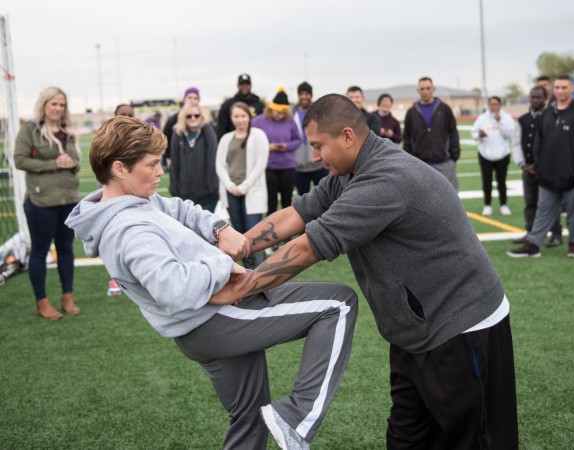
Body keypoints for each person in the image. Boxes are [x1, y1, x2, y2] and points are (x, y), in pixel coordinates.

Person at [213, 94, 519, 449]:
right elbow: (295, 215)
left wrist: (238, 290)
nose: (313, 157)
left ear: (346, 136)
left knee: (472, 441)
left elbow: (306, 248)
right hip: (414, 332)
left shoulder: (383, 180)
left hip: (462, 328)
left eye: (318, 146)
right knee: (405, 439)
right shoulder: (349, 171)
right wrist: (238, 247)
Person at [65, 116, 357, 450]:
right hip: (214, 323)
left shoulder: (138, 200)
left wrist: (221, 228)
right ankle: (297, 418)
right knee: (339, 304)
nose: (161, 172)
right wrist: (222, 264)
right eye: (152, 164)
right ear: (119, 168)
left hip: (204, 324)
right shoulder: (129, 231)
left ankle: (282, 420)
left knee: (251, 417)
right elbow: (174, 290)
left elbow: (182, 209)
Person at [13, 86, 81, 320]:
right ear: (44, 105)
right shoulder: (30, 130)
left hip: (68, 199)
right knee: (40, 251)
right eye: (54, 103)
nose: (58, 108)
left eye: (61, 104)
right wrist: (54, 163)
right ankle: (42, 302)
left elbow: (75, 164)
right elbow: (19, 160)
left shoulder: (67, 131)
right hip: (41, 201)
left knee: (66, 249)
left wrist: (71, 162)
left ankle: (68, 297)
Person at [508, 75, 574, 259]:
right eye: (557, 87)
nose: (560, 91)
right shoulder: (547, 113)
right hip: (547, 176)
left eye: (564, 87)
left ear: (572, 88)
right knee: (542, 212)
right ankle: (533, 246)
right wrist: (539, 165)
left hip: (572, 177)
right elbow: (538, 141)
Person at [216, 102, 269, 269]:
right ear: (231, 118)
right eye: (236, 116)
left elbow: (261, 164)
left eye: (243, 116)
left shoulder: (258, 135)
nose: (240, 120)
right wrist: (230, 185)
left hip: (251, 191)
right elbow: (220, 165)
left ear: (249, 117)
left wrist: (244, 187)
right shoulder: (226, 138)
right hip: (231, 191)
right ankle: (247, 272)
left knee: (254, 235)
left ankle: (260, 273)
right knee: (239, 234)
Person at [511, 86, 563, 246]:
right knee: (530, 202)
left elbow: (556, 144)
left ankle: (556, 234)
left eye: (538, 97)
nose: (534, 100)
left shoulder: (554, 117)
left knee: (550, 203)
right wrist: (522, 164)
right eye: (532, 97)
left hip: (547, 170)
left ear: (545, 98)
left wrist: (544, 165)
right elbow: (516, 143)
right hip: (528, 170)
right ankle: (530, 233)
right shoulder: (523, 119)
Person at [403, 77, 461, 190]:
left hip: (444, 163)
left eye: (428, 88)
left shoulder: (445, 109)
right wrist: (411, 159)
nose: (425, 91)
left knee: (449, 199)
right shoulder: (411, 112)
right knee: (422, 201)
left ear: (433, 89)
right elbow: (407, 137)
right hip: (420, 165)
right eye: (422, 89)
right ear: (418, 90)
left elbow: (453, 132)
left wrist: (454, 156)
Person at [252, 87, 301, 217]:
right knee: (271, 202)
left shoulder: (290, 120)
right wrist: (266, 147)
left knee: (287, 203)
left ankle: (288, 235)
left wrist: (286, 146)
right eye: (277, 112)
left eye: (283, 113)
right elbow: (252, 140)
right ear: (270, 109)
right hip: (269, 167)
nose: (280, 116)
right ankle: (270, 233)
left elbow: (297, 140)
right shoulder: (258, 121)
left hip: (287, 166)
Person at [168, 102, 219, 212]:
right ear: (183, 117)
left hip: (207, 196)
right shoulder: (178, 134)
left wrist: (212, 188)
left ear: (202, 117)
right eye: (189, 116)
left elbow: (213, 160)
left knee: (205, 229)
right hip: (184, 197)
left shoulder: (208, 133)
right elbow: (175, 163)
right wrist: (175, 189)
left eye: (196, 115)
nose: (193, 118)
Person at [471, 96, 515, 216]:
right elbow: (473, 133)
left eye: (496, 104)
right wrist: (479, 134)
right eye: (491, 104)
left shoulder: (506, 118)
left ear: (500, 105)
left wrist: (499, 121)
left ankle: (504, 204)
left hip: (502, 154)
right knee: (487, 181)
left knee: (502, 181)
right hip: (485, 154)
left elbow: (509, 135)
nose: (493, 107)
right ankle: (487, 205)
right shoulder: (482, 118)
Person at [293, 81, 328, 195]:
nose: (304, 96)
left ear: (311, 95)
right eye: (301, 94)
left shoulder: (319, 111)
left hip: (319, 164)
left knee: (324, 196)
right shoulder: (291, 113)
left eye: (306, 94)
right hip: (299, 166)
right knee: (303, 199)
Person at [216, 73, 266, 139]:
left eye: (247, 84)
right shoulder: (228, 105)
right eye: (242, 84)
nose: (244, 87)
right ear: (238, 86)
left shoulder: (259, 105)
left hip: (255, 140)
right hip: (234, 140)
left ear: (251, 86)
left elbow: (265, 125)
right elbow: (222, 127)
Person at [163, 87, 201, 166]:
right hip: (179, 162)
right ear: (184, 99)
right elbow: (165, 140)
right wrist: (171, 157)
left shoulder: (203, 120)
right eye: (189, 97)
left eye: (195, 98)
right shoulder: (173, 120)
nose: (192, 100)